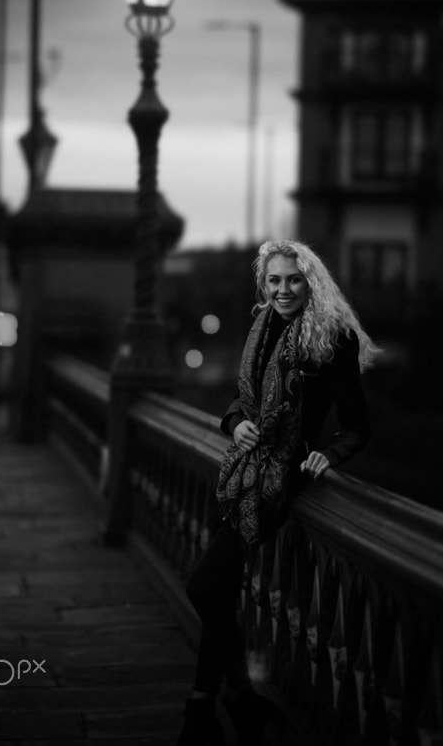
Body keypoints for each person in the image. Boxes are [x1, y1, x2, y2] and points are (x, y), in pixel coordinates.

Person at [176, 239, 380, 746]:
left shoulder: (332, 339)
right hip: (243, 470)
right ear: (263, 284)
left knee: (203, 587)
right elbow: (245, 400)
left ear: (310, 282)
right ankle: (222, 708)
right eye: (274, 280)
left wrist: (329, 455)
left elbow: (357, 424)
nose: (283, 289)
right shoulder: (262, 328)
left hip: (280, 481)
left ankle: (223, 705)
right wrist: (234, 422)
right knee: (216, 589)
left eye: (293, 280)